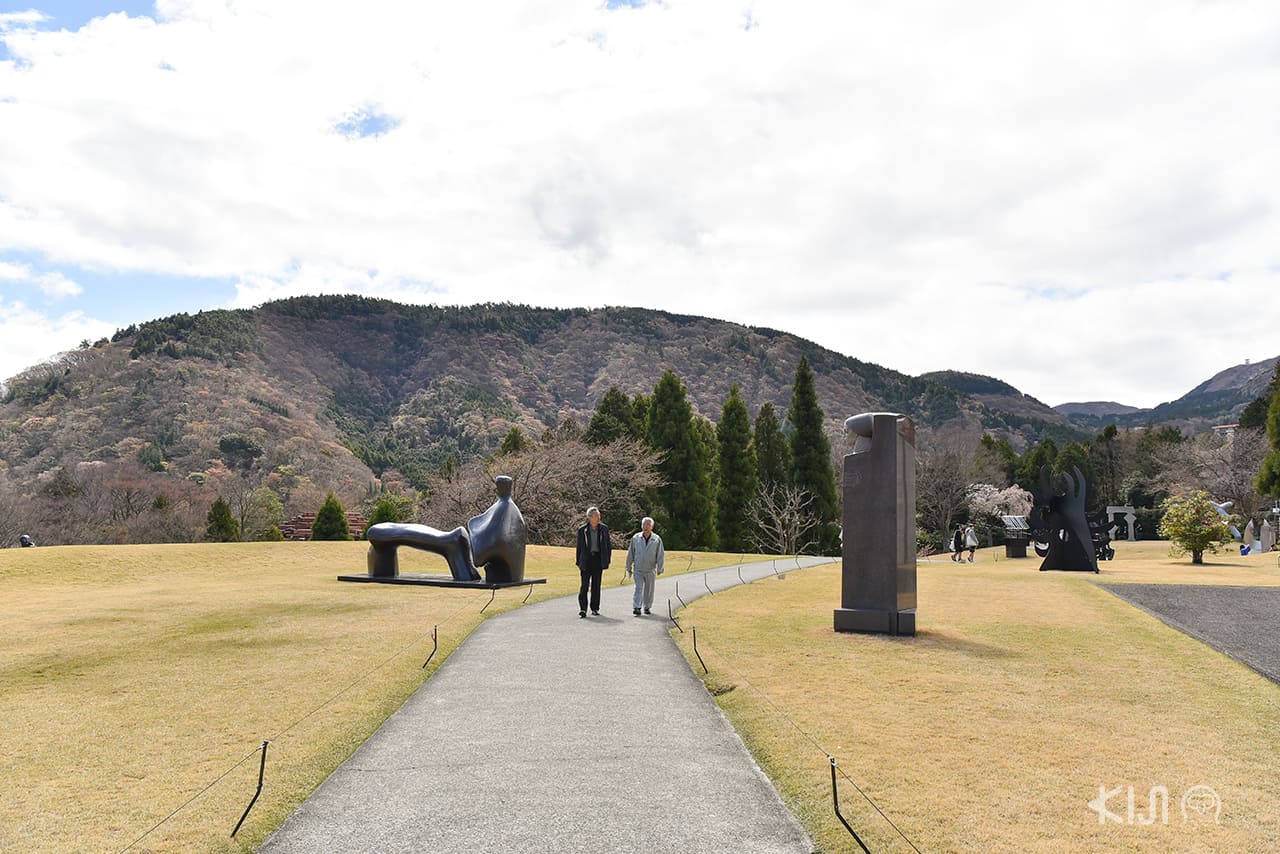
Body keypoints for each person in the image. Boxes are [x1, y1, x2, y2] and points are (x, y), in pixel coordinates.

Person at [575, 507, 611, 618]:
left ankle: (595, 608)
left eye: (599, 515)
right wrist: (578, 561)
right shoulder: (583, 530)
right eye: (596, 516)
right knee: (584, 585)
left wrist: (607, 560)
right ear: (590, 517)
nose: (598, 517)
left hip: (598, 559)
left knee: (596, 585)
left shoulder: (604, 529)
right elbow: (579, 547)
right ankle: (583, 608)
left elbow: (608, 546)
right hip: (586, 560)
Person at [626, 516, 665, 616]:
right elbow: (631, 552)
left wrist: (660, 567)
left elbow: (660, 554)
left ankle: (647, 607)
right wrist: (628, 566)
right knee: (638, 588)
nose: (645, 526)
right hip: (638, 569)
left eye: (648, 524)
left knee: (649, 589)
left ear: (652, 527)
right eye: (644, 524)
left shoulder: (656, 539)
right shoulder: (636, 538)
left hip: (650, 569)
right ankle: (637, 607)